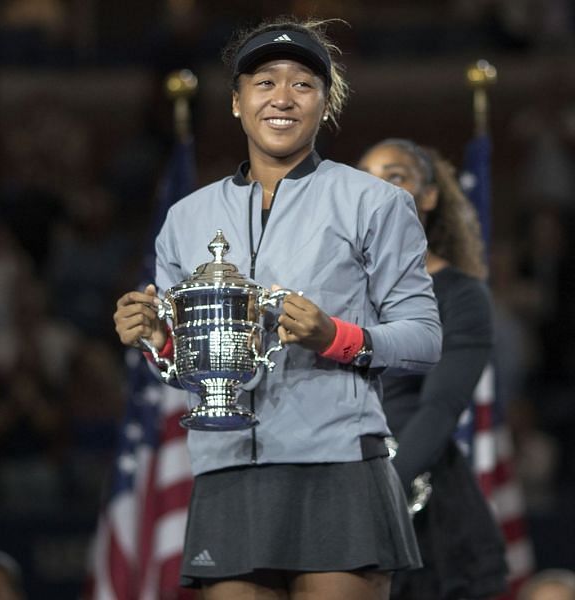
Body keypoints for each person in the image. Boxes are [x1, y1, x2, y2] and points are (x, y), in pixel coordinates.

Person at [112, 17, 441, 599]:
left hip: (337, 464)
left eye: (303, 84)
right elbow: (181, 353)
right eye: (265, 82)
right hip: (227, 463)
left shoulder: (376, 203)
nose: (282, 98)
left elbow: (422, 339)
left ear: (324, 104)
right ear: (237, 103)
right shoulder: (185, 219)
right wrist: (153, 336)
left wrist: (334, 336)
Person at [357, 139, 508, 600]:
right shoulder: (329, 289)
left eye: (396, 177)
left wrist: (378, 498)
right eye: (366, 177)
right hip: (336, 491)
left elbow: (440, 408)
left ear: (428, 196)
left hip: (426, 514)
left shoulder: (461, 295)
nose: (378, 190)